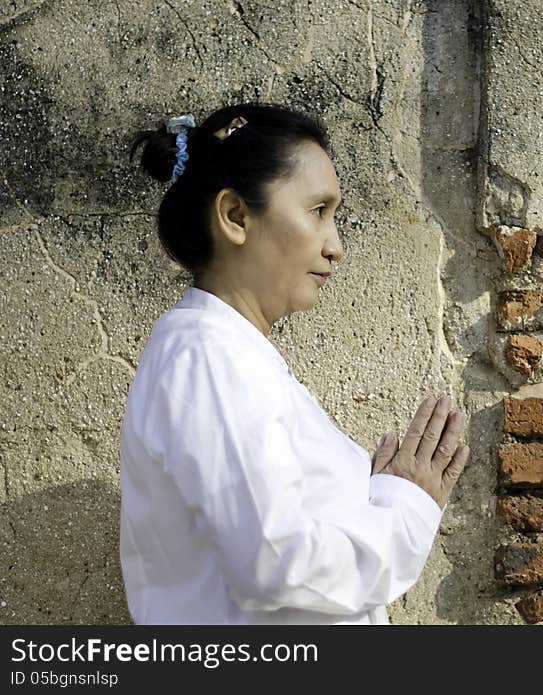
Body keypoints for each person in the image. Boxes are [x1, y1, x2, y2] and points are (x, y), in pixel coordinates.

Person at [121, 102, 469, 624]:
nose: (336, 248)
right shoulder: (209, 358)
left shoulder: (233, 355)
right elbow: (275, 562)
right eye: (318, 211)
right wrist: (405, 510)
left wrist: (367, 497)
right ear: (236, 216)